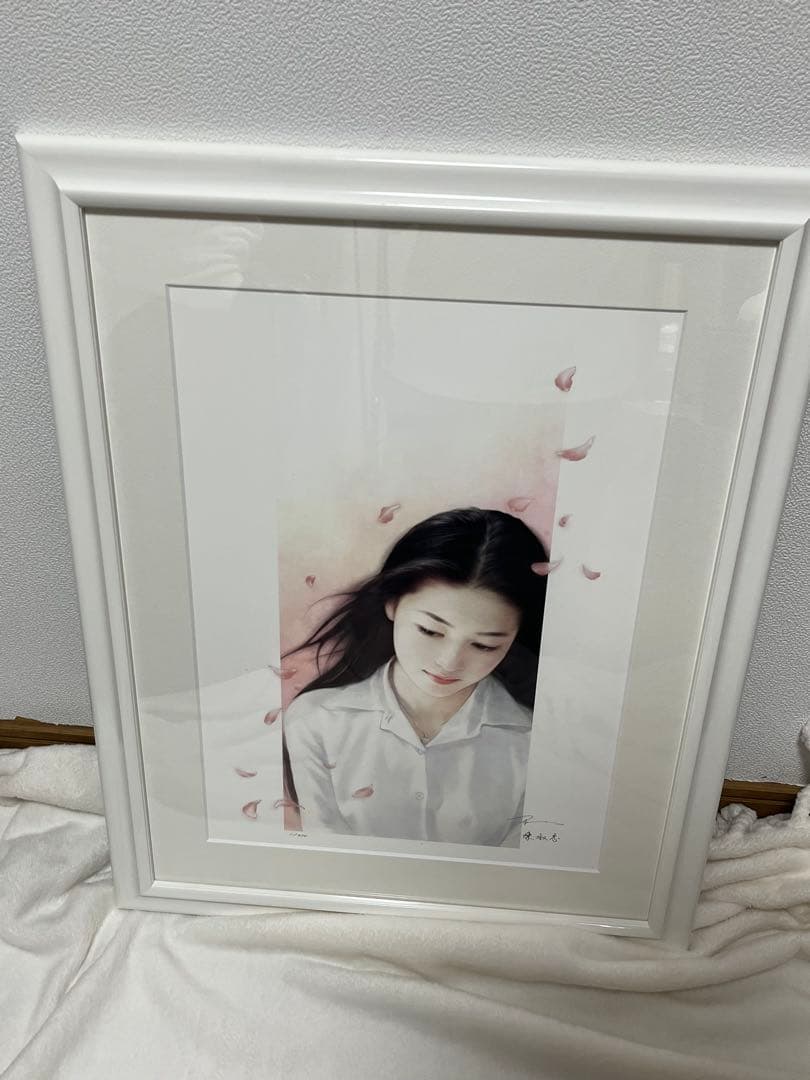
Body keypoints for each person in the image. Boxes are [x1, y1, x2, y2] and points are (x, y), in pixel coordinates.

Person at [282, 507, 548, 847]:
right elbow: (328, 852)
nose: (448, 662)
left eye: (483, 645)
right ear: (392, 603)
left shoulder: (535, 742)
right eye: (430, 630)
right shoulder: (316, 720)